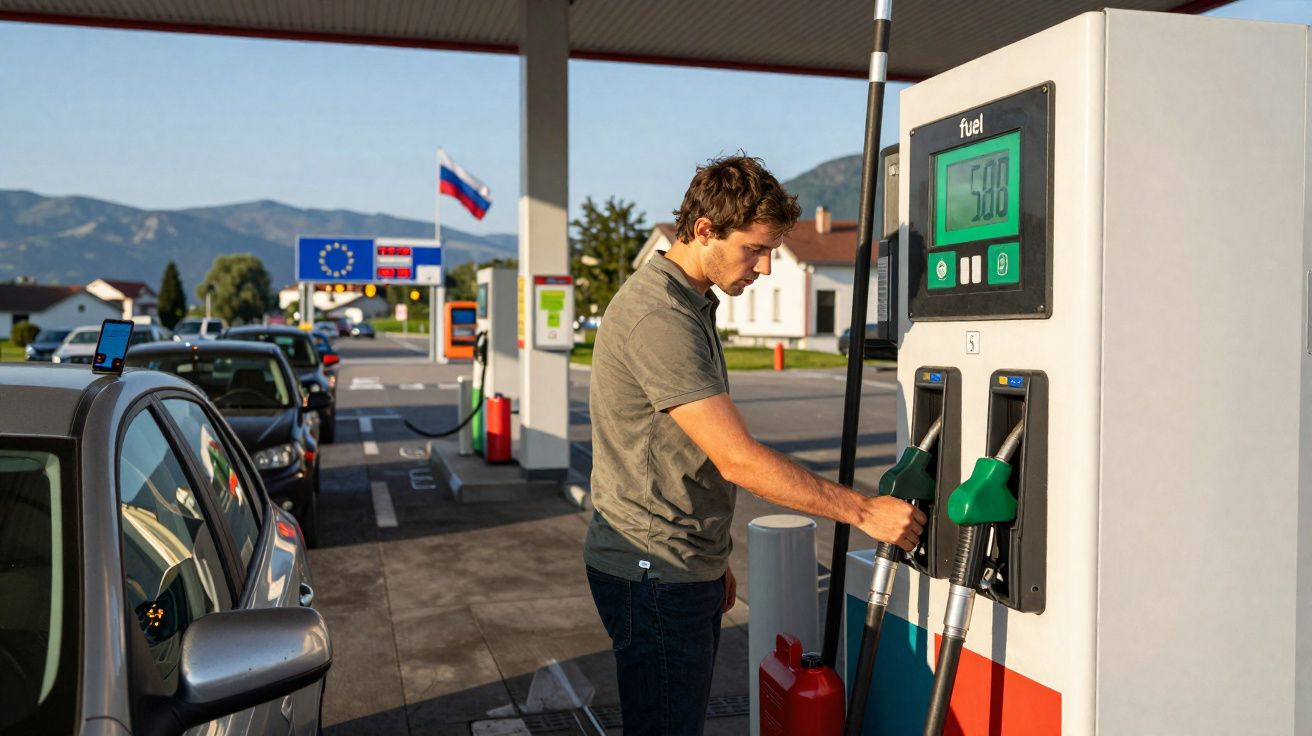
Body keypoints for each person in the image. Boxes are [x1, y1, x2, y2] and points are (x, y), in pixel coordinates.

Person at [583, 154, 926, 735]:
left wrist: (711, 560)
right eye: (755, 249)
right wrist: (863, 510)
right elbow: (736, 458)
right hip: (654, 571)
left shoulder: (689, 301)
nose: (765, 267)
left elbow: (680, 450)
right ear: (704, 231)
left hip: (676, 561)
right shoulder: (659, 315)